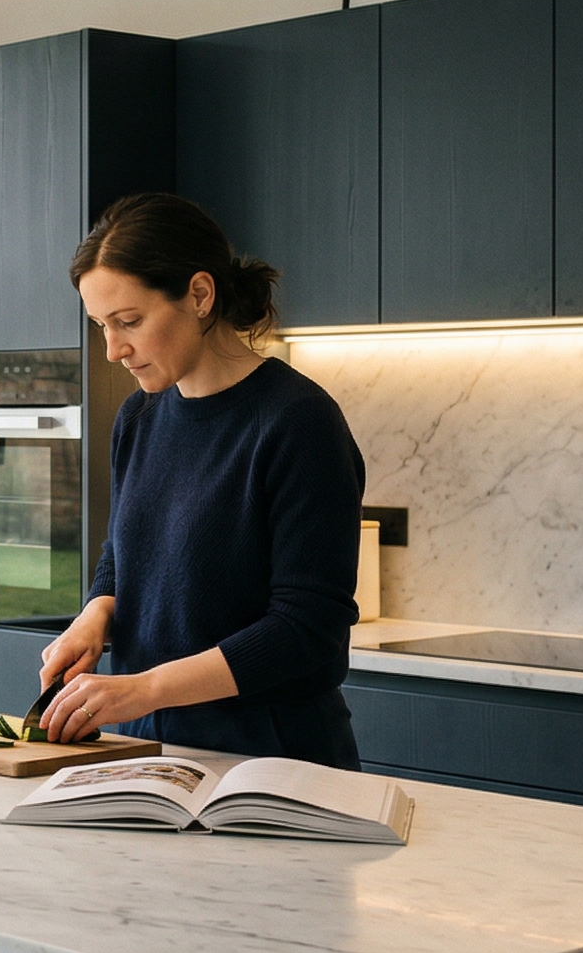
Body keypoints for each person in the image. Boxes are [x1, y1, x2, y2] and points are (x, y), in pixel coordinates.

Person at [37, 192, 367, 768]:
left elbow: (305, 630)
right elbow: (125, 551)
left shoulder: (297, 423)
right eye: (101, 326)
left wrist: (141, 688)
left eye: (129, 322)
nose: (114, 350)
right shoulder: (139, 417)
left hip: (272, 762)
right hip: (146, 748)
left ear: (199, 294)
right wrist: (96, 614)